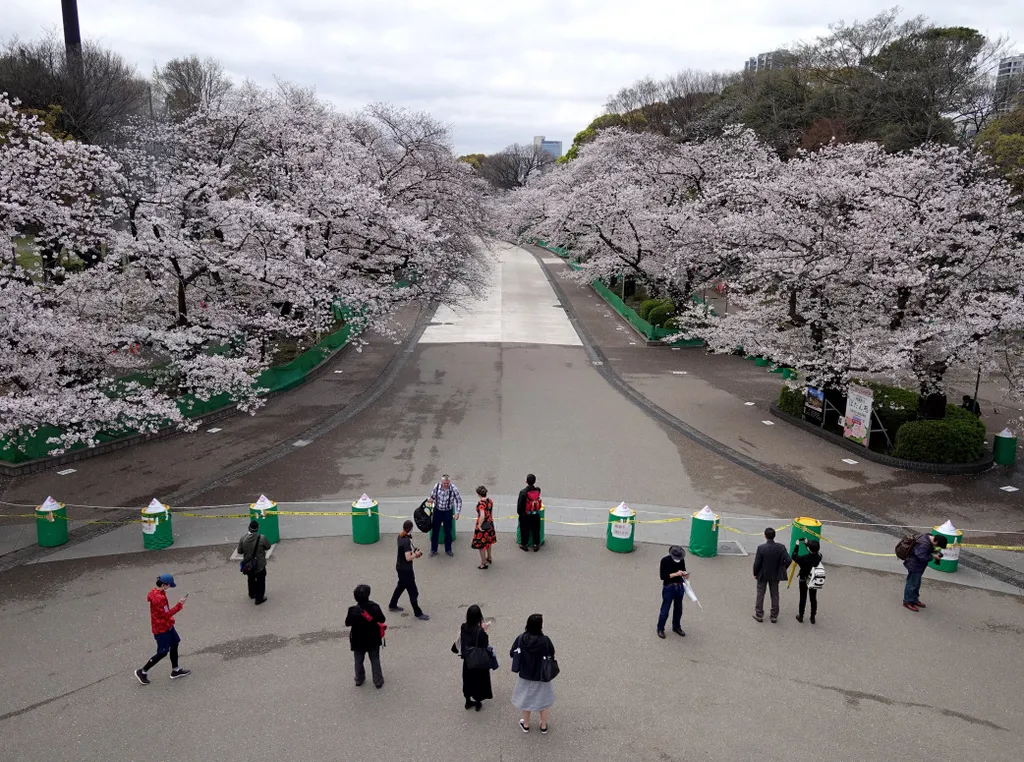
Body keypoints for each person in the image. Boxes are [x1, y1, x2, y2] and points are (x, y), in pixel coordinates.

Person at [135, 574, 191, 684]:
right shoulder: (160, 598)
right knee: (163, 652)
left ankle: (175, 670)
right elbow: (166, 614)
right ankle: (142, 671)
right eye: (169, 585)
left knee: (175, 643)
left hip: (167, 625)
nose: (169, 587)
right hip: (162, 629)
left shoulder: (155, 592)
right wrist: (180, 604)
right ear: (164, 585)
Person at [510, 613, 555, 735]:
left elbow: (512, 652)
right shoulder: (544, 640)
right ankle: (543, 725)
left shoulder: (521, 638)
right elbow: (552, 652)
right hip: (541, 676)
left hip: (525, 675)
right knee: (544, 701)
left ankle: (525, 724)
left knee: (526, 701)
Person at [451, 604, 493, 710]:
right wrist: (484, 631)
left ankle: (468, 701)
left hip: (467, 659)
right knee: (479, 681)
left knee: (467, 680)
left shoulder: (464, 627)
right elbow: (484, 644)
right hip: (478, 660)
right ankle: (478, 702)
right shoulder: (479, 631)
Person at [345, 584, 386, 688]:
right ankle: (378, 681)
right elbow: (382, 620)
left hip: (358, 640)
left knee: (358, 660)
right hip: (373, 638)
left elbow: (347, 623)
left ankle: (359, 678)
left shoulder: (352, 610)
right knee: (375, 659)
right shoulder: (375, 607)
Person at [389, 520, 430, 620]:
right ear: (411, 529)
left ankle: (392, 604)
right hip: (406, 570)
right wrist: (416, 555)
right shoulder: (406, 541)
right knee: (413, 592)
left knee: (401, 586)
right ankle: (418, 613)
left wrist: (413, 552)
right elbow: (407, 557)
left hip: (400, 567)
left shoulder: (401, 536)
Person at [752, 527, 791, 623]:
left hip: (763, 574)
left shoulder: (761, 548)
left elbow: (757, 563)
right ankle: (774, 615)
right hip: (775, 574)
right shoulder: (781, 547)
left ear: (765, 536)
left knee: (760, 594)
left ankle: (759, 614)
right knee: (775, 594)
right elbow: (789, 560)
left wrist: (755, 573)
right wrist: (782, 569)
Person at [903, 533, 948, 612]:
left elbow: (924, 550)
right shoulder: (924, 545)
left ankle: (914, 599)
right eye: (938, 545)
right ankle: (908, 601)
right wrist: (933, 556)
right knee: (912, 584)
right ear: (936, 542)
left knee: (916, 583)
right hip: (915, 566)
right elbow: (922, 556)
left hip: (917, 566)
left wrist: (933, 550)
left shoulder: (927, 536)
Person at [657, 545, 690, 638]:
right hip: (669, 587)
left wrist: (685, 574)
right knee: (665, 610)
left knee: (678, 609)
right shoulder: (665, 561)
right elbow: (663, 576)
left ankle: (676, 626)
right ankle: (660, 628)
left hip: (679, 587)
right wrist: (676, 574)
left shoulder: (681, 560)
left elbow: (683, 569)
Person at [237, 520, 272, 605]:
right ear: (257, 529)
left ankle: (252, 594)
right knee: (261, 581)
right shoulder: (262, 538)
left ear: (249, 528)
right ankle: (259, 598)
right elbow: (268, 546)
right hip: (259, 564)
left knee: (250, 579)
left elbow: (239, 551)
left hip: (249, 564)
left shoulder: (243, 538)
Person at [428, 474, 462, 557]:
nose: (446, 485)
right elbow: (432, 497)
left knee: (448, 532)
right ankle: (433, 549)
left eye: (447, 483)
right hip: (437, 511)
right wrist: (430, 500)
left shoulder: (453, 489)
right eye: (444, 483)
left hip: (448, 512)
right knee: (435, 531)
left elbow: (459, 500)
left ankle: (448, 549)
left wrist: (457, 512)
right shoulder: (436, 487)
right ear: (441, 482)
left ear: (449, 482)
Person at [791, 538, 823, 623]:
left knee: (803, 597)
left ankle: (801, 616)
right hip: (814, 579)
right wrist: (807, 544)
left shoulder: (804, 559)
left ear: (809, 549)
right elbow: (813, 552)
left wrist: (797, 545)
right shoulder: (819, 557)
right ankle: (813, 617)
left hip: (803, 579)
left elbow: (794, 556)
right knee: (813, 598)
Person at [471, 486, 496, 569]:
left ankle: (483, 562)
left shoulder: (481, 504)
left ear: (478, 494)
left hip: (483, 526)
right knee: (489, 542)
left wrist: (479, 525)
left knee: (481, 545)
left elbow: (482, 516)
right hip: (490, 524)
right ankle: (489, 557)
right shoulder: (490, 501)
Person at [517, 474, 542, 552]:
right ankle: (536, 545)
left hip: (526, 515)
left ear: (526, 481)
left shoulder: (523, 492)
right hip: (535, 514)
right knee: (536, 529)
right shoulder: (537, 491)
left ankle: (524, 545)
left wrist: (520, 514)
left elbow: (520, 506)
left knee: (525, 529)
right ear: (534, 481)